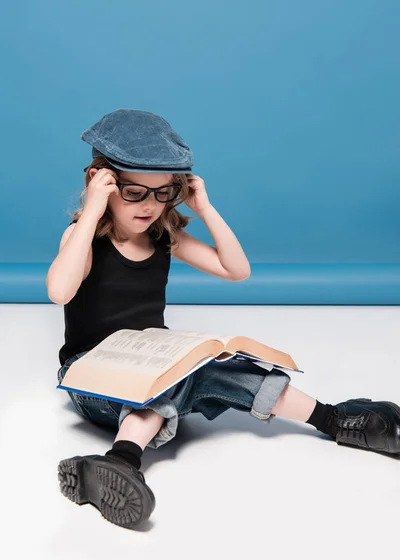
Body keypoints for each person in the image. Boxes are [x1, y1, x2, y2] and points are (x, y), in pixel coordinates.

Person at [47, 108, 400, 530]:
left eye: (164, 193)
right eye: (134, 193)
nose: (150, 206)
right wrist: (90, 212)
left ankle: (335, 420)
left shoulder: (164, 235)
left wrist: (205, 208)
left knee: (226, 368)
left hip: (152, 357)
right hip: (90, 375)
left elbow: (236, 269)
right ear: (101, 183)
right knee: (163, 386)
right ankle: (118, 462)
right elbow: (60, 291)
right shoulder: (83, 237)